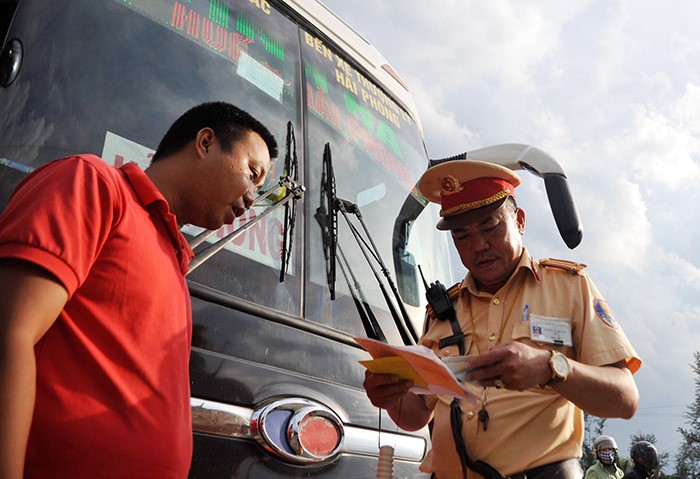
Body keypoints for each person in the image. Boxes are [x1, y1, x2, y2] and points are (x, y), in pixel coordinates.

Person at [0, 101, 277, 478]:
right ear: (207, 142)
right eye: (252, 173)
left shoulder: (175, 260)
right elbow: (10, 333)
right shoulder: (96, 184)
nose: (251, 199)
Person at [363, 159, 641, 479]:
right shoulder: (441, 313)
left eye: (490, 226)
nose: (478, 245)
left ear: (519, 220)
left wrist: (551, 367)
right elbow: (416, 416)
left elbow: (626, 399)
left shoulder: (569, 288)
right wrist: (390, 394)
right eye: (461, 236)